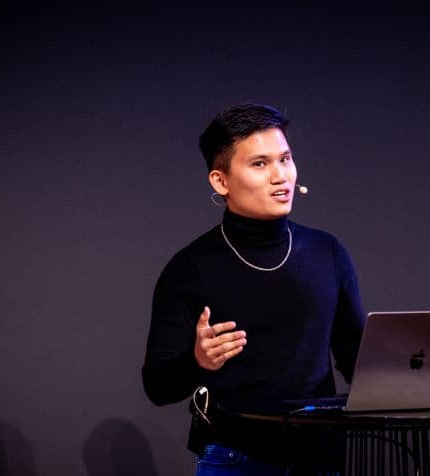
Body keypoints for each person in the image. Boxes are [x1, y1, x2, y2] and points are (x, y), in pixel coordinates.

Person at [142, 103, 366, 475]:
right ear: (220, 181)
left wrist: (412, 374)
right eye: (260, 164)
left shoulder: (328, 252)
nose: (280, 176)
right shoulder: (190, 268)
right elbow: (157, 385)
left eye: (285, 159)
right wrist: (197, 360)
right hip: (235, 459)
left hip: (321, 457)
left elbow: (357, 358)